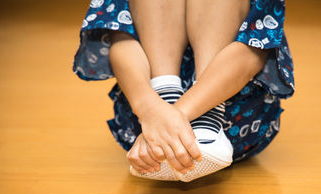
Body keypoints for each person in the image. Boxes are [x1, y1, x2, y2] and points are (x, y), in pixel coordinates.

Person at [72, 0, 295, 182]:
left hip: (231, 116)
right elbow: (120, 39)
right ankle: (166, 92)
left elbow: (253, 52)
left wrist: (166, 119)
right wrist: (150, 109)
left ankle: (206, 118)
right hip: (146, 121)